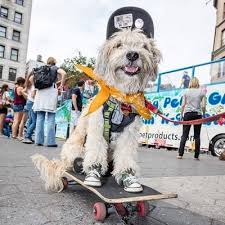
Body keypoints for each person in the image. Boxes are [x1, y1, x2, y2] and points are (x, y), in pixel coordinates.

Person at [33, 57, 66, 147]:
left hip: (40, 93)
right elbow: (64, 73)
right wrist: (61, 85)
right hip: (50, 92)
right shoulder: (55, 68)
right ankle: (50, 142)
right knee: (51, 117)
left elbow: (31, 76)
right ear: (54, 62)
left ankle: (38, 140)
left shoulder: (41, 68)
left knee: (40, 117)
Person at [177, 77, 206, 160]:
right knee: (197, 135)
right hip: (197, 114)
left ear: (190, 83)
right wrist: (203, 114)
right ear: (198, 82)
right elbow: (203, 106)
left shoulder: (186, 91)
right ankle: (196, 156)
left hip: (187, 114)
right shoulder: (202, 92)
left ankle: (180, 154)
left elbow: (183, 105)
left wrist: (181, 114)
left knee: (184, 135)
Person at [23, 73, 37, 144]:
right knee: (34, 122)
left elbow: (24, 92)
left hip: (29, 102)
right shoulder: (34, 86)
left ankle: (28, 137)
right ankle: (27, 136)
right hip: (32, 103)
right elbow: (33, 95)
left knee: (31, 120)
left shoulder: (29, 86)